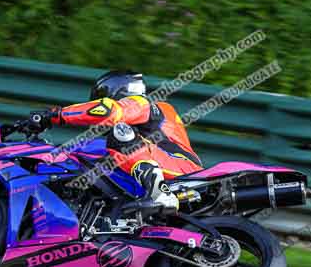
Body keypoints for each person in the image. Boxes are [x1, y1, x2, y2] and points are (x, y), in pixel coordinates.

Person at [26, 70, 203, 211]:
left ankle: (159, 193)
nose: (97, 101)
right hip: (172, 166)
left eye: (101, 96)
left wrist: (55, 116)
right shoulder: (148, 118)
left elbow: (108, 111)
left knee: (120, 134)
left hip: (182, 170)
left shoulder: (143, 104)